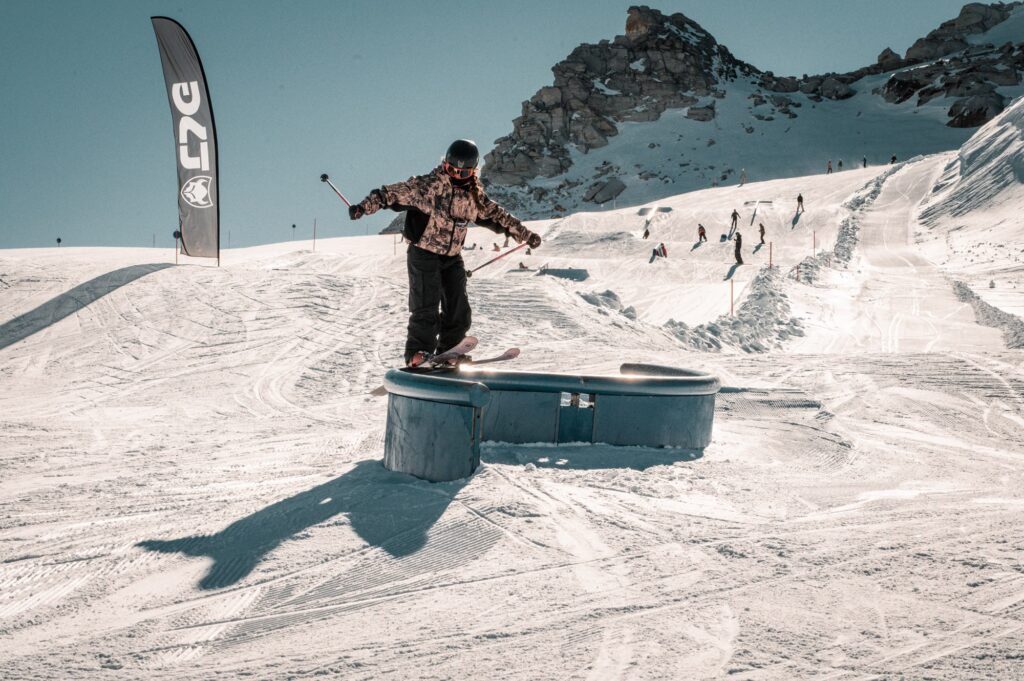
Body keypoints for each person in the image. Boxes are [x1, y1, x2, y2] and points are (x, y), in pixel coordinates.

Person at [348, 139, 541, 366]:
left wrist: (525, 234)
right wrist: (364, 207)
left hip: (452, 257)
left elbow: (498, 216)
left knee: (459, 308)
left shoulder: (474, 196)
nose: (458, 176)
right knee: (426, 306)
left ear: (473, 170)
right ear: (446, 165)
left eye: (464, 172)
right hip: (424, 253)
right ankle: (417, 354)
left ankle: (449, 351)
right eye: (453, 170)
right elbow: (389, 194)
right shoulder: (427, 186)